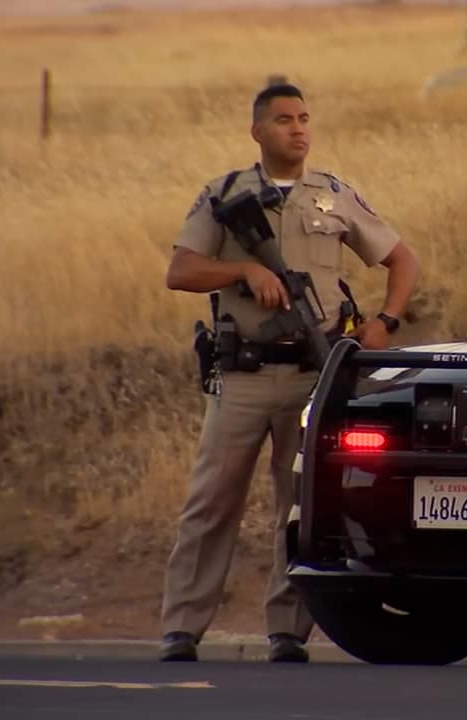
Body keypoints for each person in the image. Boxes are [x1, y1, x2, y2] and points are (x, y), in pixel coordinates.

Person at [158, 83, 421, 663]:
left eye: (304, 118)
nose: (297, 129)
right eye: (283, 120)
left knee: (298, 502)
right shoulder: (225, 194)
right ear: (258, 131)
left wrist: (385, 323)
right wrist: (245, 270)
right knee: (212, 501)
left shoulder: (332, 195)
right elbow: (181, 271)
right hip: (245, 376)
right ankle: (182, 626)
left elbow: (402, 259)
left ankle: (288, 629)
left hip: (313, 377)